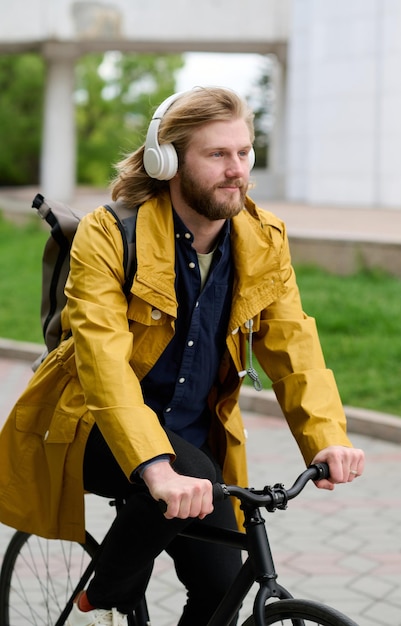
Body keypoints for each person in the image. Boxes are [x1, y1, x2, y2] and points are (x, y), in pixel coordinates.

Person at [0, 87, 365, 626]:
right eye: (217, 154)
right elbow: (102, 361)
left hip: (193, 446)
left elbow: (295, 347)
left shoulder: (262, 240)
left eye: (244, 153)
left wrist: (327, 437)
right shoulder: (109, 234)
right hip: (92, 427)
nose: (236, 169)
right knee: (183, 471)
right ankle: (102, 592)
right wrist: (155, 466)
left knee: (222, 587)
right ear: (165, 159)